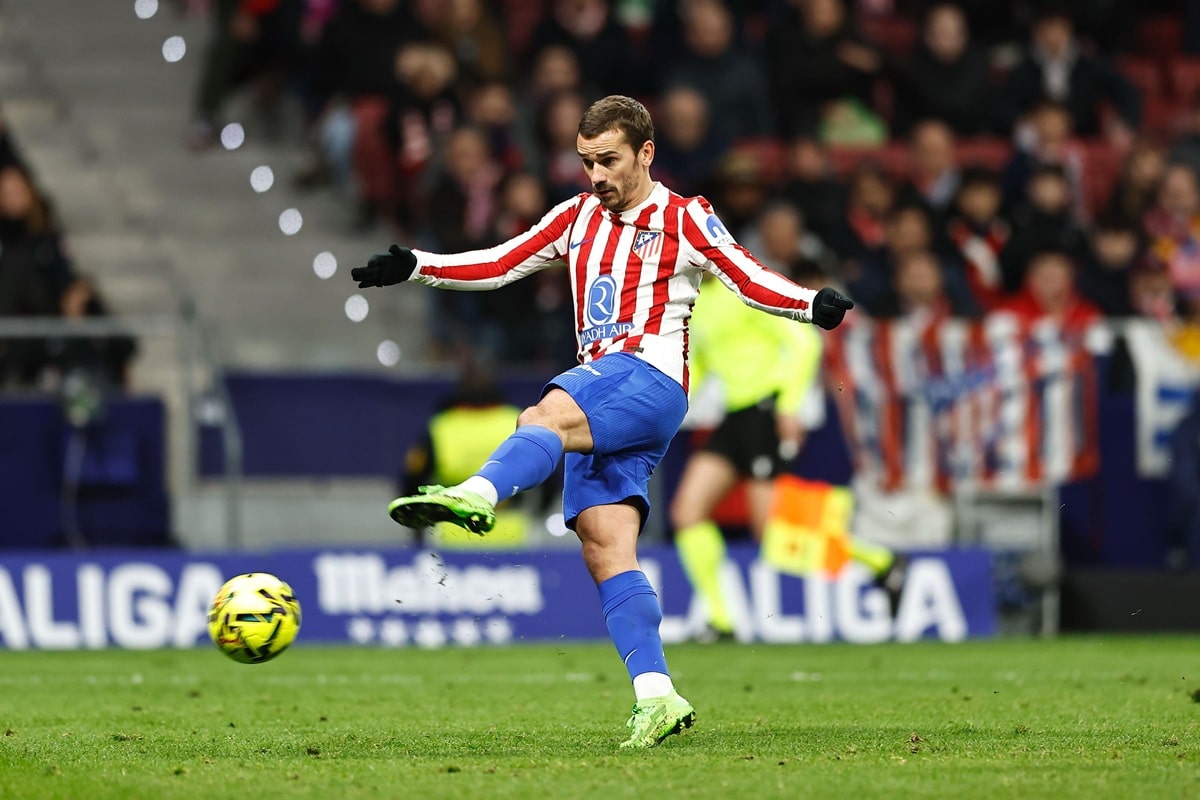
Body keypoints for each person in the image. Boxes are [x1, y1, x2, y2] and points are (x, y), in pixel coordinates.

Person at [351, 95, 853, 748]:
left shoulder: (685, 217)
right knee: (604, 544)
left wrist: (809, 304)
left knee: (543, 415)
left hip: (648, 376)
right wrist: (419, 266)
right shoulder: (576, 216)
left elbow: (746, 276)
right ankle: (657, 696)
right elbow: (500, 263)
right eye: (587, 162)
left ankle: (477, 494)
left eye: (609, 161)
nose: (597, 176)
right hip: (610, 395)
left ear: (646, 153)